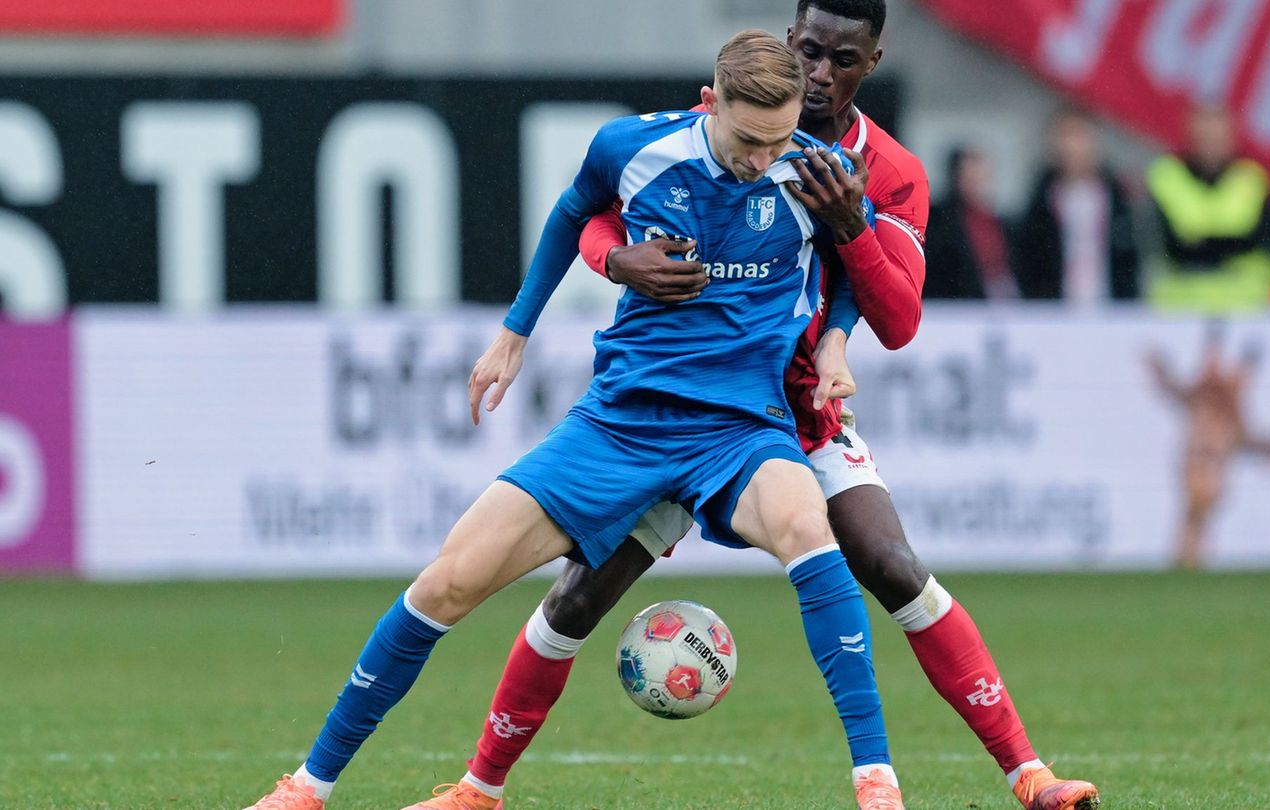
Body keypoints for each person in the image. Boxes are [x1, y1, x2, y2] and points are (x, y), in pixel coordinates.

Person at [432, 3, 1100, 810]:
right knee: (578, 594)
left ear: (873, 62)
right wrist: (616, 261)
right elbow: (597, 210)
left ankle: (1028, 774)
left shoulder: (887, 173)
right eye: (810, 51)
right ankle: (477, 789)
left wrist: (850, 236)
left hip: (798, 414)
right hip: (684, 404)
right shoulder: (732, 122)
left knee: (890, 564)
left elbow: (899, 319)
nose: (822, 73)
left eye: (842, 59)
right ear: (788, 43)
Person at [245, 29, 906, 810]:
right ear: (711, 102)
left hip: (740, 427)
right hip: (620, 422)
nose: (763, 158)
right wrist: (514, 333)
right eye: (747, 139)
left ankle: (877, 786)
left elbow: (855, 268)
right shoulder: (631, 148)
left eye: (777, 138)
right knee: (446, 583)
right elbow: (570, 216)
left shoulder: (818, 172)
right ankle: (308, 787)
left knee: (809, 532)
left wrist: (834, 344)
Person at [1146, 323, 1270, 570]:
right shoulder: (1208, 395)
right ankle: (1187, 558)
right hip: (1199, 461)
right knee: (1194, 514)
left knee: (1197, 514)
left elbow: (1243, 437)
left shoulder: (1228, 401)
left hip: (1211, 465)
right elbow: (1175, 392)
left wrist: (1268, 448)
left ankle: (1189, 559)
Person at [1147, 104, 1270, 312]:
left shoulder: (1252, 178)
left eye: (1216, 138)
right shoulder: (1167, 176)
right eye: (1204, 138)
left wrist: (1197, 241)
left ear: (1231, 137)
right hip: (1181, 308)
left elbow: (1257, 240)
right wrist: (1227, 243)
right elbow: (1169, 245)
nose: (1210, 145)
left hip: (1244, 308)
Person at [1011, 107, 1139, 305]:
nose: (1071, 146)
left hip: (1108, 306)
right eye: (1064, 135)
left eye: (1079, 135)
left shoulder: (1115, 196)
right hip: (1057, 310)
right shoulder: (1041, 198)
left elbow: (1129, 259)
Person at [923, 147, 1017, 300]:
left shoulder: (996, 221)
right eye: (971, 176)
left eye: (981, 176)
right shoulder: (940, 221)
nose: (977, 181)